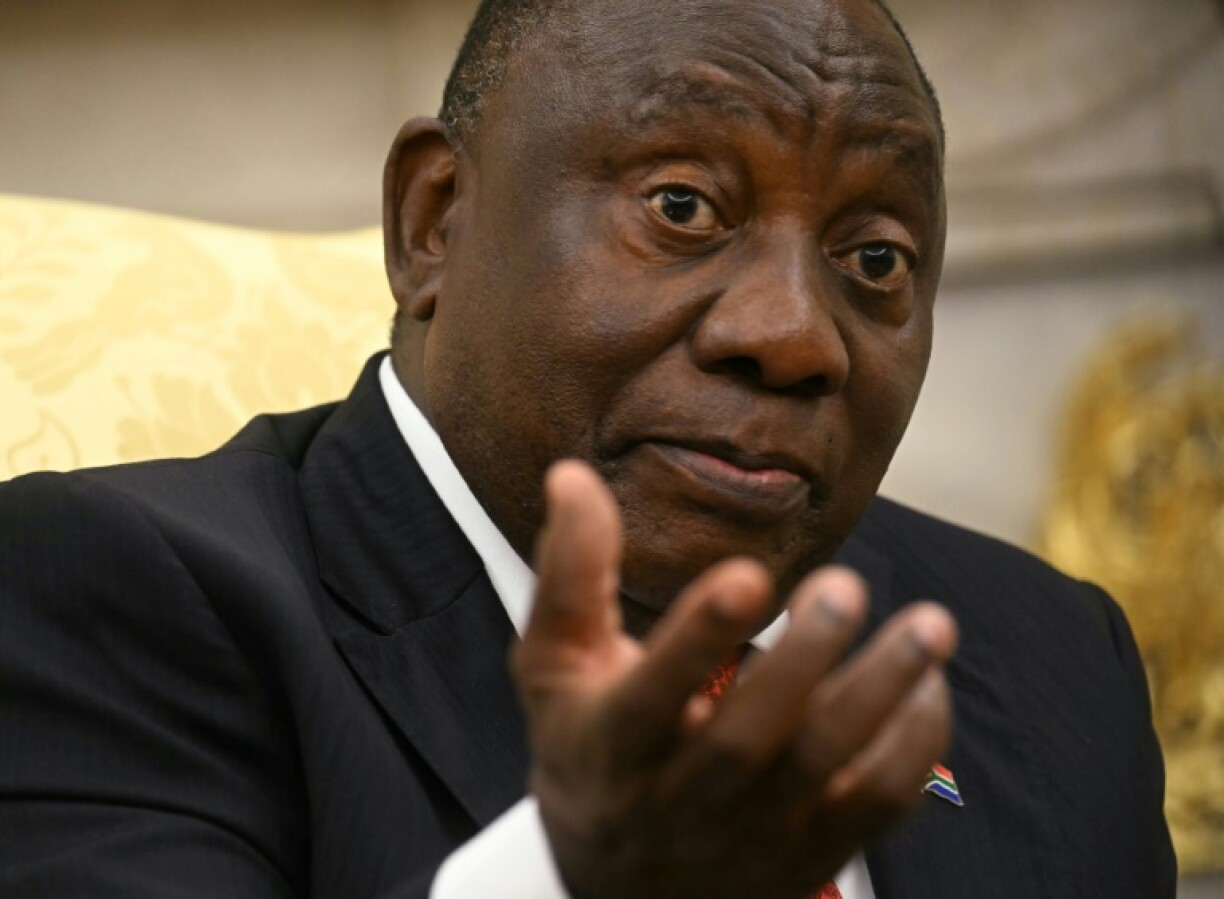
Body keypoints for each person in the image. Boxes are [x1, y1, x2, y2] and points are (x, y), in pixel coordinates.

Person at [0, 0, 1175, 896]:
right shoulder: (106, 597)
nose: (795, 334)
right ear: (434, 221)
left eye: (874, 257)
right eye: (682, 207)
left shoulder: (1055, 660)